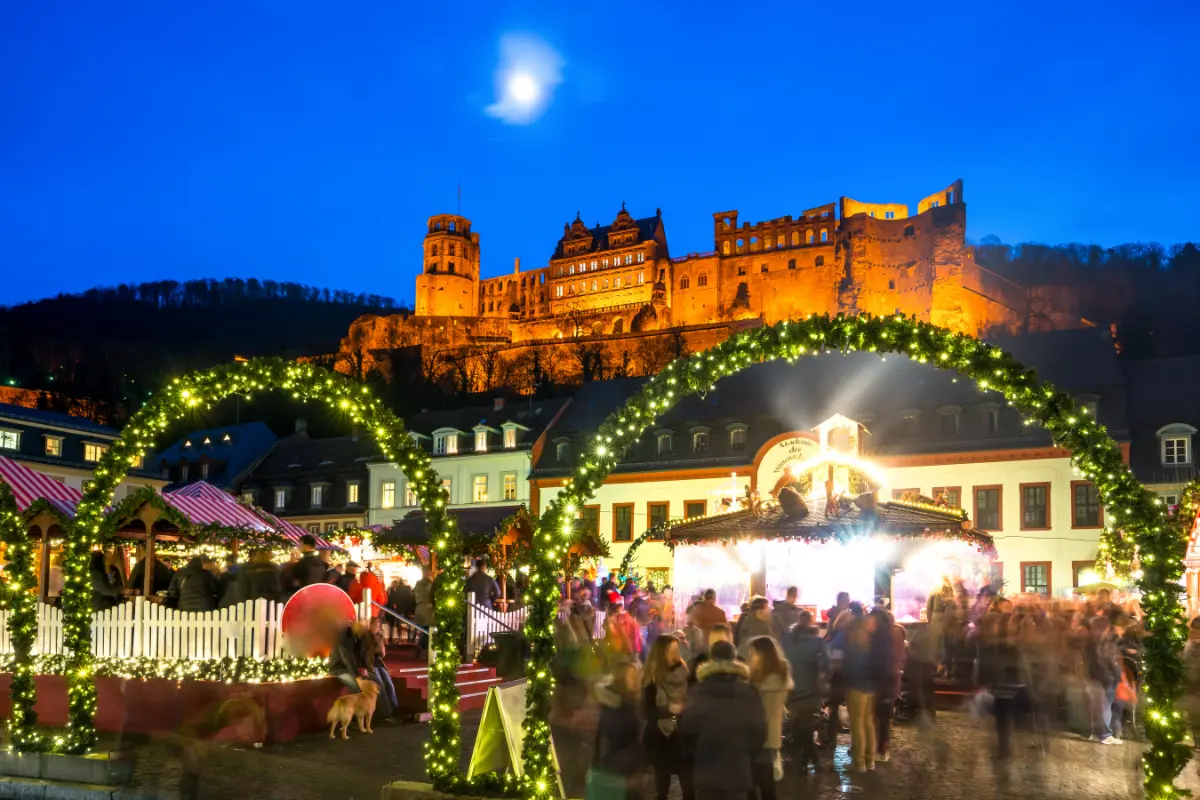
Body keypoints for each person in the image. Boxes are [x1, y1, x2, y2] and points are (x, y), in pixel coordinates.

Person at [682, 640, 767, 800]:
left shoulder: (697, 691)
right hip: (738, 769)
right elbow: (759, 730)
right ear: (734, 658)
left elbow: (687, 730)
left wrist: (698, 752)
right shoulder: (749, 692)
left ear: (711, 659)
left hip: (706, 770)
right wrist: (747, 753)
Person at [643, 635, 692, 800]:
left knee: (688, 786)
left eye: (676, 650)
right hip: (661, 737)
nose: (675, 654)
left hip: (683, 735)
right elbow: (647, 712)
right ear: (660, 653)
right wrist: (668, 709)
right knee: (662, 786)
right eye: (670, 651)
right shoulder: (652, 679)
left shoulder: (685, 672)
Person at [588, 660, 644, 800]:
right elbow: (605, 749)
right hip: (618, 780)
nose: (637, 679)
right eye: (632, 676)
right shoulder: (615, 709)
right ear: (620, 680)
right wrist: (622, 783)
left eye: (636, 675)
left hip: (628, 775)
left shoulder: (627, 704)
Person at [747, 636, 792, 800]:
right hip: (771, 738)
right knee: (767, 786)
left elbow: (757, 713)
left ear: (762, 654)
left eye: (753, 653)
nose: (751, 657)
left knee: (754, 785)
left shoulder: (761, 682)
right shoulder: (780, 676)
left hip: (759, 738)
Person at [784, 611, 826, 772]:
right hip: (811, 693)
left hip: (792, 692)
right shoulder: (817, 642)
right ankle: (812, 761)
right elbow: (827, 667)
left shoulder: (787, 641)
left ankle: (803, 761)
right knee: (805, 729)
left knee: (798, 729)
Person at [842, 613, 877, 772]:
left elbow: (849, 668)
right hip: (871, 687)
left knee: (857, 724)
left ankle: (859, 761)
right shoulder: (872, 644)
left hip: (857, 687)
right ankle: (870, 760)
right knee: (869, 723)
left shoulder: (855, 646)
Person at [869, 606, 904, 762]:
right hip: (891, 679)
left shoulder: (878, 637)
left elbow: (877, 660)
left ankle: (879, 750)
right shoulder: (894, 633)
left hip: (880, 680)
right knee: (884, 716)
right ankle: (883, 750)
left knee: (878, 716)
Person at [1084, 615, 1123, 744]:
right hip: (1102, 677)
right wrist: (1110, 675)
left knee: (1102, 706)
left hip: (1104, 676)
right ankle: (1104, 734)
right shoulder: (1095, 642)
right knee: (1104, 707)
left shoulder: (1096, 641)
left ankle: (1099, 733)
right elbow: (1101, 661)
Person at [367, 616, 399, 718]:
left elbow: (381, 653)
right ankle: (386, 713)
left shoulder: (380, 635)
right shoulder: (365, 637)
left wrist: (381, 651)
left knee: (390, 685)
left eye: (378, 625)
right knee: (381, 686)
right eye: (375, 625)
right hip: (370, 664)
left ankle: (395, 709)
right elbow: (368, 653)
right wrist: (379, 650)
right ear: (370, 625)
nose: (377, 627)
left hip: (379, 663)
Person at [328, 620, 372, 693]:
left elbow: (363, 655)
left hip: (352, 669)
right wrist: (357, 676)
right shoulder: (343, 636)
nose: (366, 626)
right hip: (339, 669)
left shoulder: (360, 635)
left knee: (373, 682)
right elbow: (347, 658)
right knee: (356, 686)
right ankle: (356, 704)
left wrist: (365, 668)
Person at [413, 567, 435, 654]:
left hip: (419, 608)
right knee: (429, 628)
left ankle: (422, 646)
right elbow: (432, 596)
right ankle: (424, 646)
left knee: (424, 628)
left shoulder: (418, 584)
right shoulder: (429, 584)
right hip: (428, 609)